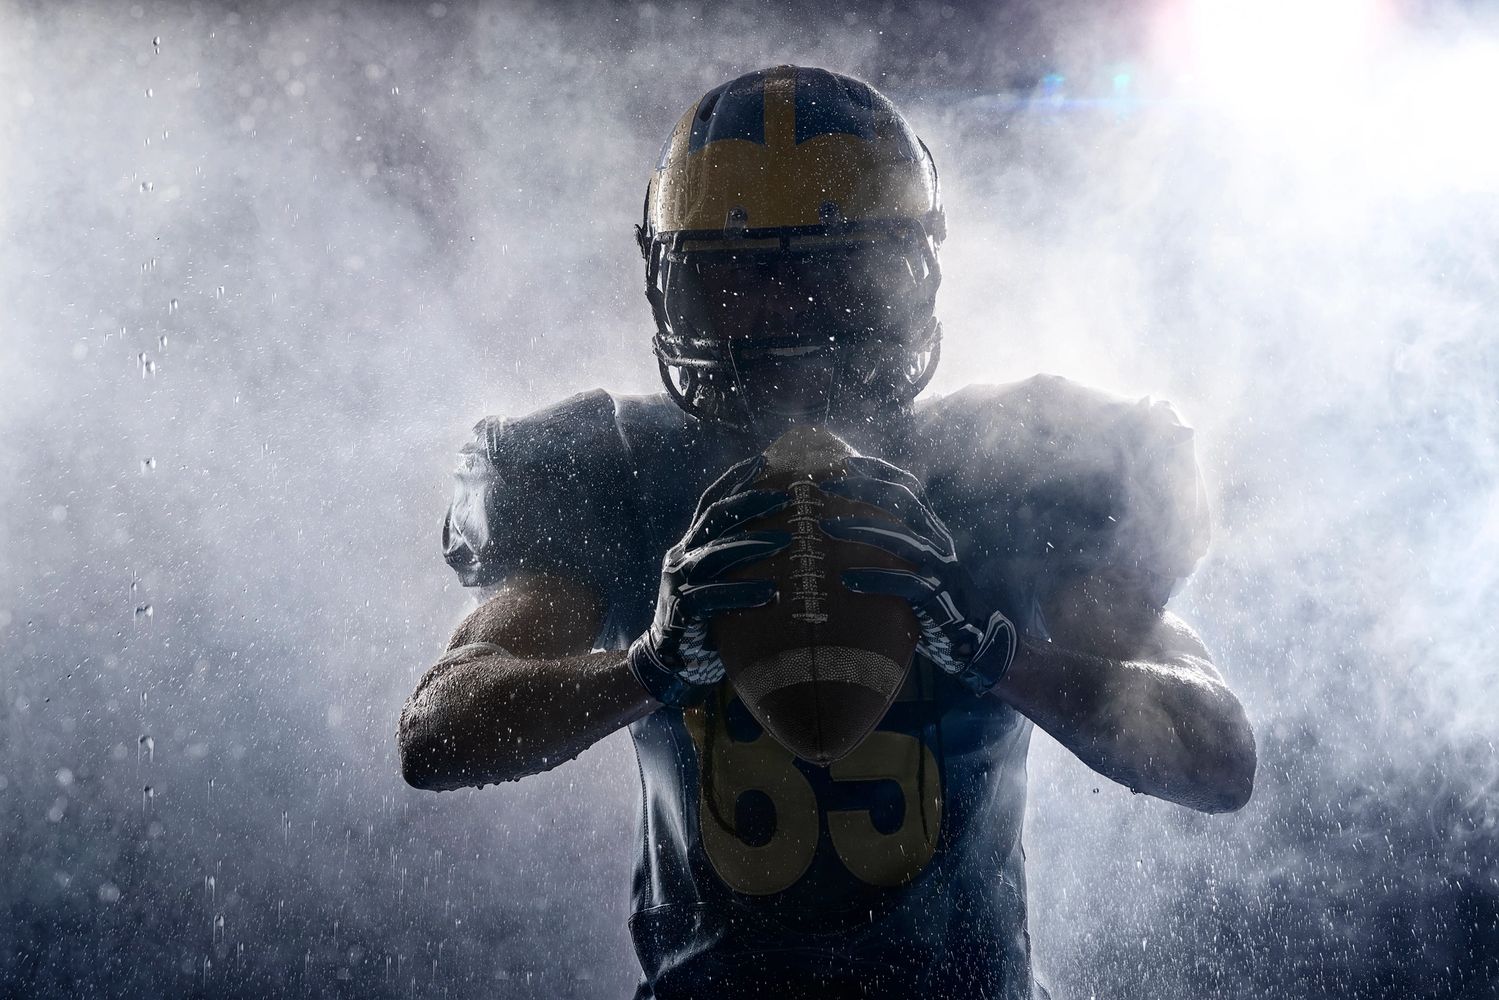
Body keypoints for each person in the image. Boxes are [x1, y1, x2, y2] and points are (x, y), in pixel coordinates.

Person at [397, 65, 1256, 1000]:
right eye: (741, 278)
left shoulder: (1013, 464)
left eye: (830, 273)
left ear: (904, 276)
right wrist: (646, 667)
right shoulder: (618, 467)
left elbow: (1217, 758)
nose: (789, 320)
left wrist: (992, 659)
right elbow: (437, 734)